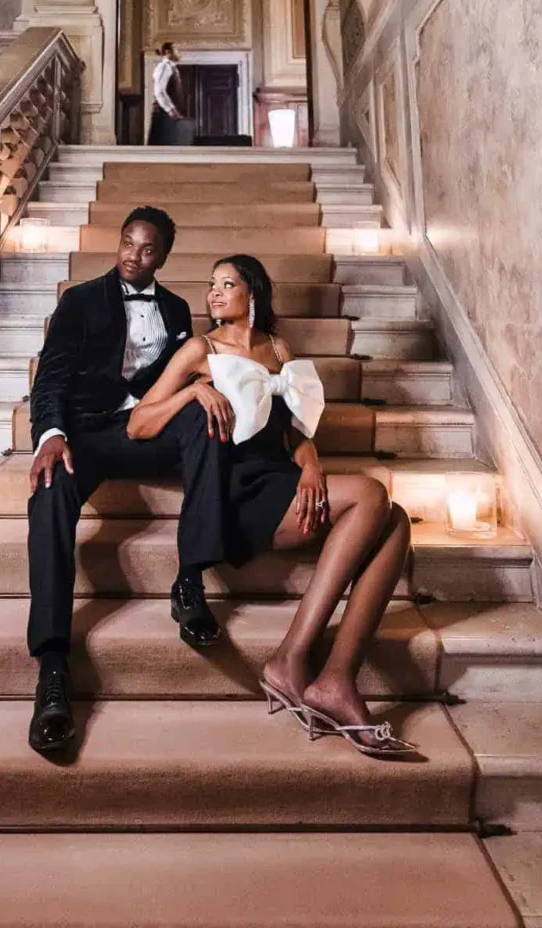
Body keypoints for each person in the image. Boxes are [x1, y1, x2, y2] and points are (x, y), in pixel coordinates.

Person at [127, 253, 416, 758]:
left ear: (253, 294)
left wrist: (311, 464)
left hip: (283, 478)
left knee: (396, 522)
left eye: (227, 284)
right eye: (211, 285)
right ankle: (291, 657)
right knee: (372, 493)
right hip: (238, 492)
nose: (214, 293)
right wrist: (193, 396)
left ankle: (336, 679)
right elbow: (139, 424)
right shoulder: (200, 349)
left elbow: (292, 429)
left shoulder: (278, 348)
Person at [25, 206, 230, 755]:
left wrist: (201, 390)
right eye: (126, 243)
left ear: (161, 257)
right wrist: (51, 434)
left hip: (146, 428)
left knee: (207, 423)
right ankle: (52, 666)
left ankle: (189, 581)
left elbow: (187, 371)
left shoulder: (177, 308)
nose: (132, 256)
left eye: (146, 249)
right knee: (48, 490)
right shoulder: (81, 300)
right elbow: (51, 376)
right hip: (87, 435)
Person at [148, 42, 183, 145]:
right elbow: (159, 91)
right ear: (168, 52)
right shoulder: (164, 67)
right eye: (176, 50)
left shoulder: (172, 68)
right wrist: (171, 110)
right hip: (164, 115)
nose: (179, 53)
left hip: (169, 115)